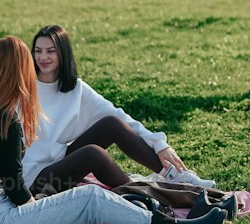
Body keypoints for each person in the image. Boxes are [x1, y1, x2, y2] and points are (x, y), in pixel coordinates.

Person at [0, 36, 225, 224]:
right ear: (23, 71)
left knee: (81, 197)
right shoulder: (8, 117)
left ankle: (160, 209)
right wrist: (38, 209)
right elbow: (14, 184)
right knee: (90, 198)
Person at [26, 24, 217, 197]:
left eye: (50, 51)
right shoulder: (24, 89)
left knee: (112, 124)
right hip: (35, 178)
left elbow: (120, 117)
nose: (43, 57)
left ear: (63, 54)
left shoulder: (76, 89)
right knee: (93, 154)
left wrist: (159, 144)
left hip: (61, 161)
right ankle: (140, 190)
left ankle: (173, 175)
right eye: (38, 51)